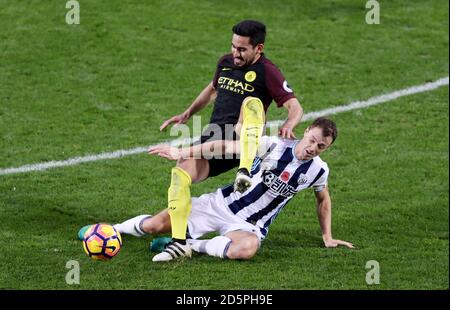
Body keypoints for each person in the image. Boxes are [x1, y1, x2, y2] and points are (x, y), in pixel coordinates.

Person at [154, 20, 303, 257]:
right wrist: (188, 113)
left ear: (259, 48)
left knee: (251, 104)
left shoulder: (268, 72)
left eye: (242, 49)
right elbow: (212, 89)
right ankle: (180, 242)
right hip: (215, 138)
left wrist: (288, 123)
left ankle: (244, 169)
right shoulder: (225, 62)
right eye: (234, 46)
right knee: (180, 172)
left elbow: (295, 107)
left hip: (245, 143)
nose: (236, 53)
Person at [113, 118, 353, 262]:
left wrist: (327, 236)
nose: (313, 148)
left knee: (246, 250)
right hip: (219, 205)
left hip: (249, 227)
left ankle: (188, 245)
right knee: (153, 226)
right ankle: (111, 230)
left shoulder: (318, 171)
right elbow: (226, 145)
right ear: (307, 130)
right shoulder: (273, 145)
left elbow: (323, 200)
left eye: (321, 146)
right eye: (312, 140)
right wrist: (181, 152)